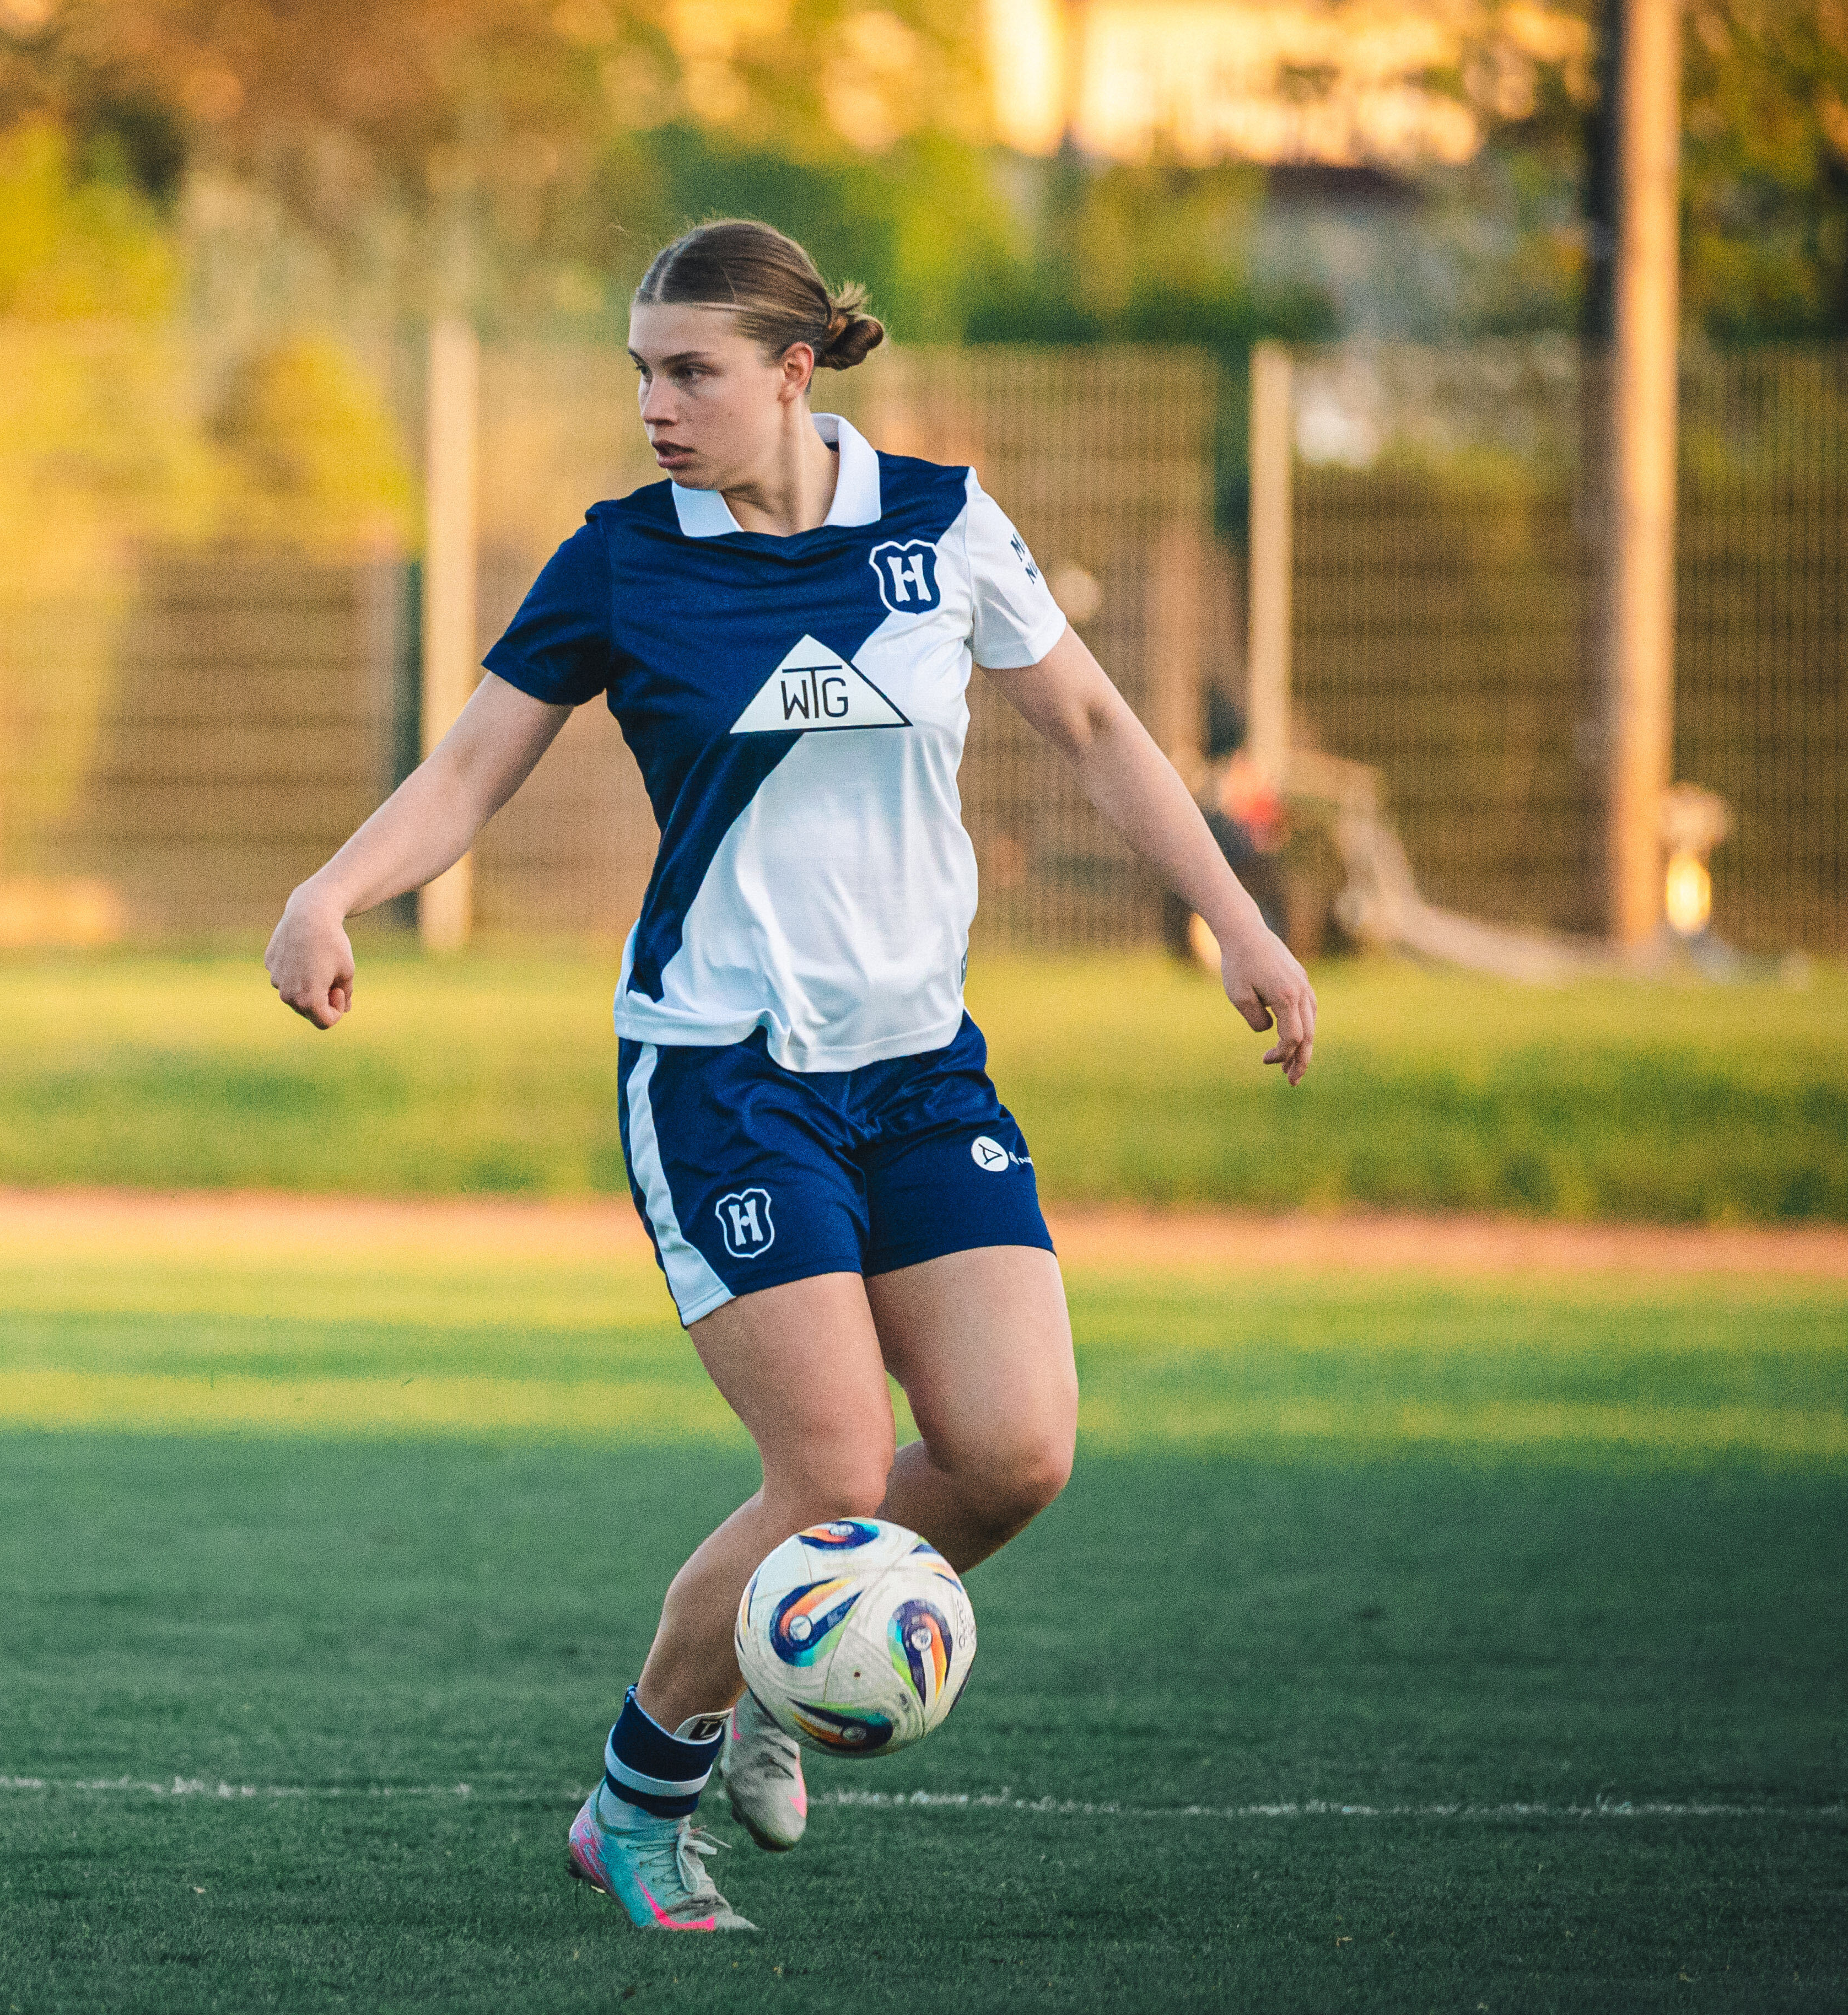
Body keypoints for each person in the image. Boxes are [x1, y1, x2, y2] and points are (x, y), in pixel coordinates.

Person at [263, 220, 1314, 1933]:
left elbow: (1105, 733)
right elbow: (467, 772)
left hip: (918, 1071)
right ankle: (636, 1803)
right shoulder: (618, 561)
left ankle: (772, 1672)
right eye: (641, 375)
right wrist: (329, 891)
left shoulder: (939, 523)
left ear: (792, 372)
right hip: (722, 1073)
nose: (656, 406)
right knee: (829, 1477)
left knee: (1012, 1455)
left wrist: (1238, 926)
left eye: (689, 373)